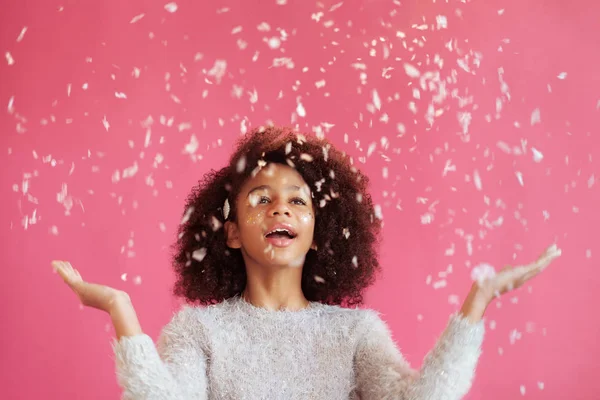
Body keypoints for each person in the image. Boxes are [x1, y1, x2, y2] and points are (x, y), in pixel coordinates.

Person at [52, 125, 561, 400]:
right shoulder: (200, 331)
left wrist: (478, 302)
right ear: (229, 232)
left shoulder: (357, 333)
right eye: (260, 199)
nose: (281, 208)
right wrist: (120, 310)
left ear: (317, 233)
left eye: (298, 201)